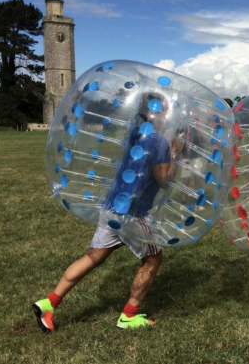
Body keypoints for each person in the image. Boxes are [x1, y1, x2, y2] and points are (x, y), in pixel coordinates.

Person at [33, 92, 184, 333]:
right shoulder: (158, 141)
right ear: (155, 112)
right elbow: (164, 180)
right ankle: (128, 316)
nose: (167, 115)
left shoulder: (135, 135)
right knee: (153, 258)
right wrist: (175, 152)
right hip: (133, 213)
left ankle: (49, 303)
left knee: (93, 257)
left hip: (112, 206)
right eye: (164, 110)